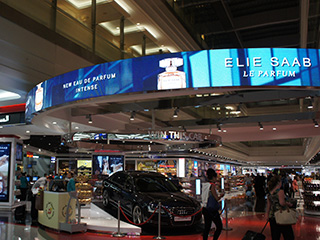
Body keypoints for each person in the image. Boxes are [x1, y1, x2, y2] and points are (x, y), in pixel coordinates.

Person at [266, 175, 294, 240]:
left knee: (275, 236)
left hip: (273, 216)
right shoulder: (280, 191)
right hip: (281, 215)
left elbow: (268, 206)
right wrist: (288, 204)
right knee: (288, 235)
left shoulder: (270, 192)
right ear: (278, 182)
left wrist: (267, 215)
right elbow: (282, 203)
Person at [202, 168, 224, 240]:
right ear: (213, 177)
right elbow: (216, 198)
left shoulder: (205, 185)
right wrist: (221, 195)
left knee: (207, 227)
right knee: (219, 226)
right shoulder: (212, 186)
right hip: (212, 210)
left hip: (205, 208)